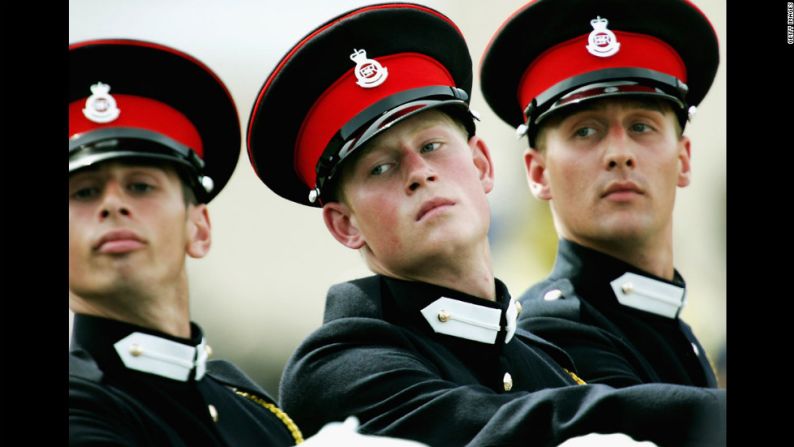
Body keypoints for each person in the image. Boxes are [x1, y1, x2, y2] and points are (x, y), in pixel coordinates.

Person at [246, 3, 725, 446]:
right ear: (345, 224)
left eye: (432, 146)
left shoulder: (542, 361)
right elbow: (500, 429)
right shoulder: (338, 369)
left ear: (482, 166)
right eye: (381, 167)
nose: (420, 173)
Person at [68, 39, 303, 446]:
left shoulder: (258, 414)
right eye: (84, 193)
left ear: (199, 229)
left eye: (140, 186)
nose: (113, 204)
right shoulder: (78, 405)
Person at [480, 0, 721, 388]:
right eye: (586, 131)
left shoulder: (672, 325)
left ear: (684, 159)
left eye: (642, 126)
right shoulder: (553, 331)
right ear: (538, 172)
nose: (620, 154)